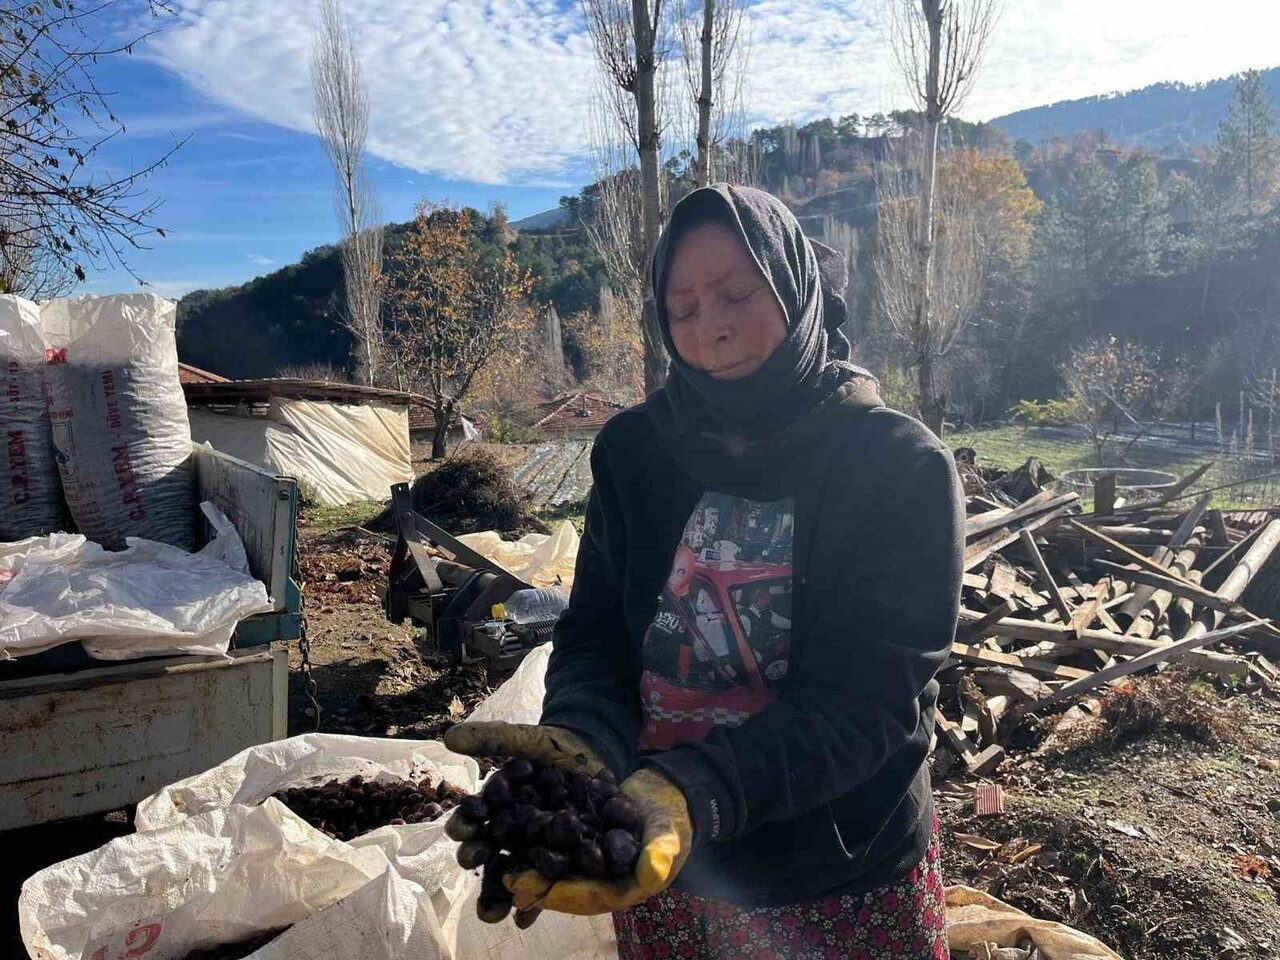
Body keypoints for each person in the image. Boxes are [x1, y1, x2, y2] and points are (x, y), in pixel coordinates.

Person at [446, 183, 964, 959]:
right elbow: (595, 634)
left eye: (736, 295)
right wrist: (586, 739)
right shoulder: (635, 452)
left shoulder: (897, 465)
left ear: (794, 286)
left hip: (836, 869)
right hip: (663, 853)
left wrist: (697, 792)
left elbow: (867, 701)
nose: (710, 329)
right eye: (681, 309)